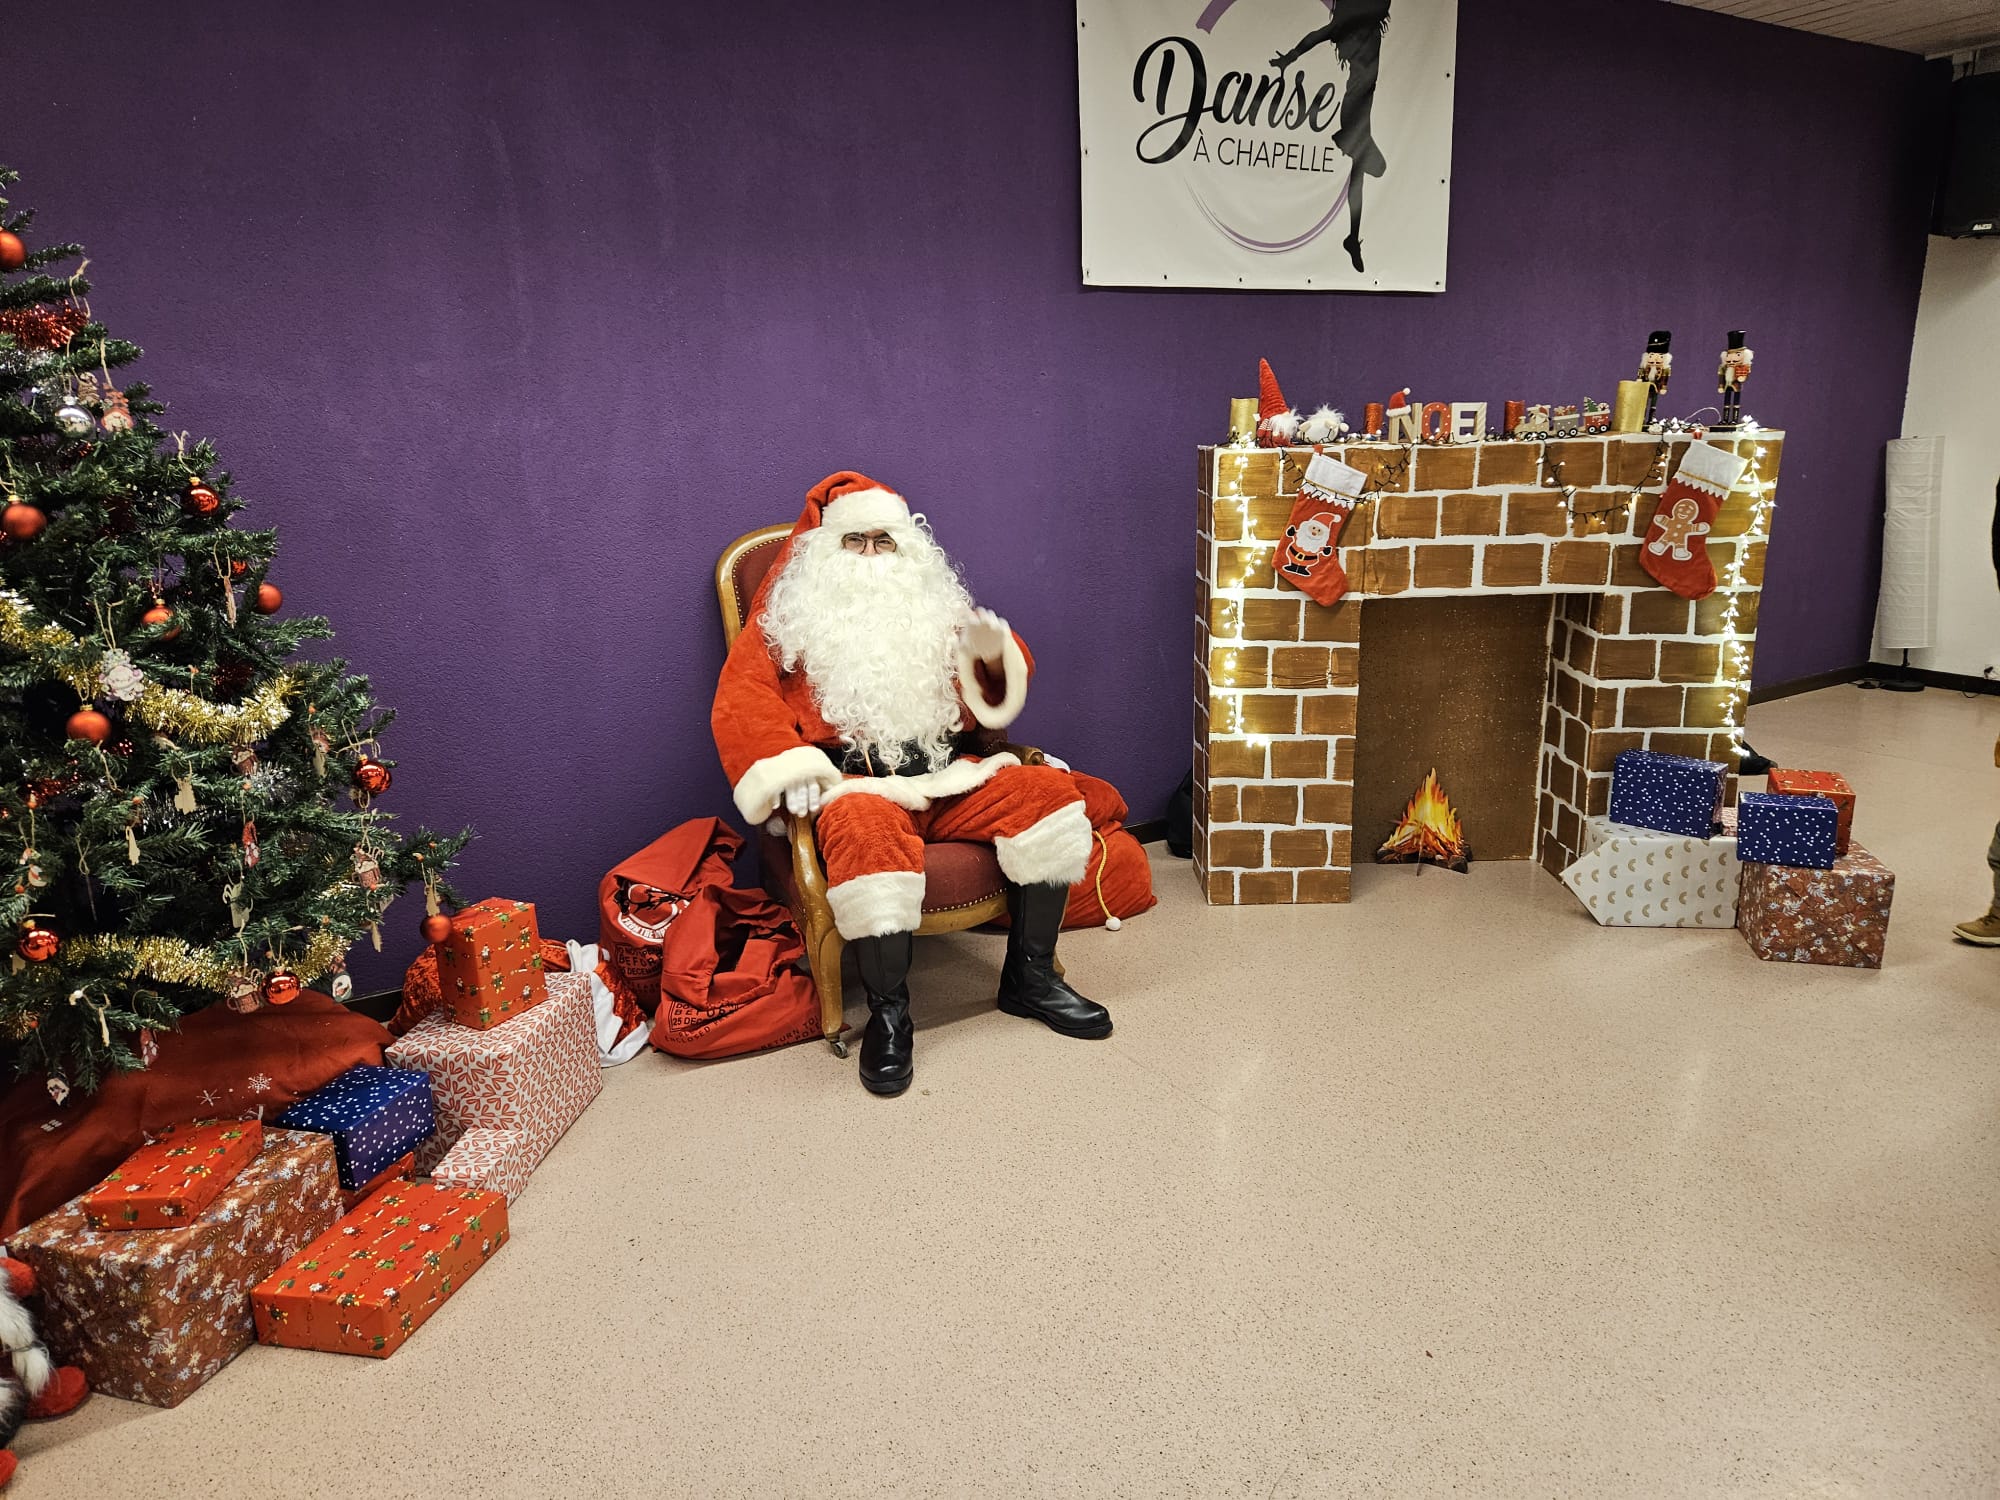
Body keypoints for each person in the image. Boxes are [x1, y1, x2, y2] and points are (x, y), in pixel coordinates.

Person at [712, 471, 1111, 1095]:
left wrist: (993, 656)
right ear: (826, 552)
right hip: (855, 786)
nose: (872, 555)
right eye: (855, 541)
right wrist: (790, 770)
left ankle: (1030, 979)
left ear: (908, 548)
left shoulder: (933, 611)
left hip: (948, 775)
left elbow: (992, 693)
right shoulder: (788, 622)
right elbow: (743, 702)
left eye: (884, 541)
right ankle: (890, 1015)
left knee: (1049, 797)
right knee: (866, 836)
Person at [1272, 0, 1393, 273]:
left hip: (1362, 108)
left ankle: (1352, 238)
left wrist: (1289, 57)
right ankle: (1352, 238)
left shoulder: (1370, 19)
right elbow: (1314, 37)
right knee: (1371, 169)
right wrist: (1288, 58)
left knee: (1363, 172)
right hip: (1354, 110)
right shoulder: (1350, 23)